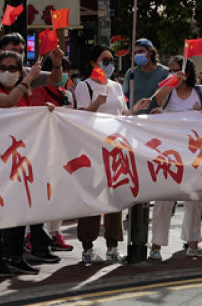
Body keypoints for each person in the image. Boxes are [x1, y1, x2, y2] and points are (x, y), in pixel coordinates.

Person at [149, 60, 202, 260]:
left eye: (178, 70)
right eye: (171, 70)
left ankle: (193, 243)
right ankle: (156, 246)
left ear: (187, 72)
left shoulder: (201, 92)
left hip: (194, 155)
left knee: (194, 200)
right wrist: (170, 83)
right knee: (163, 201)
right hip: (169, 155)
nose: (174, 73)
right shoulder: (168, 91)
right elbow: (159, 100)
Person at [74, 45, 150, 264]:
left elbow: (122, 114)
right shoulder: (84, 87)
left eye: (110, 60)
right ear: (92, 63)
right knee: (92, 199)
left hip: (115, 149)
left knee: (115, 198)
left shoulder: (116, 87)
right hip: (92, 149)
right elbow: (78, 117)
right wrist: (96, 104)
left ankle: (112, 246)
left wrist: (135, 108)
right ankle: (87, 247)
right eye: (104, 60)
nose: (108, 64)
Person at [0, 49, 41, 277]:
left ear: (20, 71)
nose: (7, 72)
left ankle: (17, 257)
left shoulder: (26, 92)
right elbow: (8, 102)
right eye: (3, 68)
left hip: (21, 159)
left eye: (12, 68)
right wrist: (28, 80)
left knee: (20, 209)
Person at [24, 49, 73, 258]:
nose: (61, 76)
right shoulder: (37, 88)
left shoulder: (67, 94)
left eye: (64, 71)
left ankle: (53, 233)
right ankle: (34, 238)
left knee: (57, 192)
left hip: (59, 148)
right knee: (38, 194)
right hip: (37, 149)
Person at [123, 38, 169, 109]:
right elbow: (124, 98)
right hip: (134, 118)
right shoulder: (130, 73)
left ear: (150, 52)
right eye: (135, 53)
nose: (137, 55)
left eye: (141, 51)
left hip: (157, 118)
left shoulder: (165, 72)